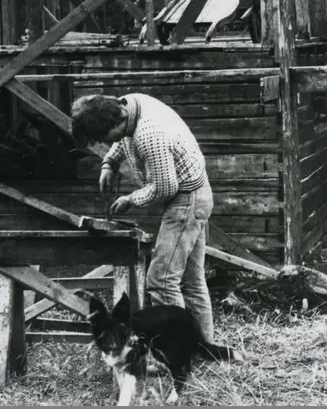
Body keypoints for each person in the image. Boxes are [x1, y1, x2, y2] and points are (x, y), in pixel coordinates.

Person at [70, 92, 217, 343]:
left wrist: (130, 200)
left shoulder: (150, 134)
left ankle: (177, 351)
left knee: (161, 280)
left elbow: (164, 188)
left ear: (113, 125)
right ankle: (205, 347)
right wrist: (109, 164)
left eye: (100, 138)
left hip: (186, 200)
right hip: (195, 193)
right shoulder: (128, 104)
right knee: (192, 281)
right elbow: (120, 141)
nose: (103, 142)